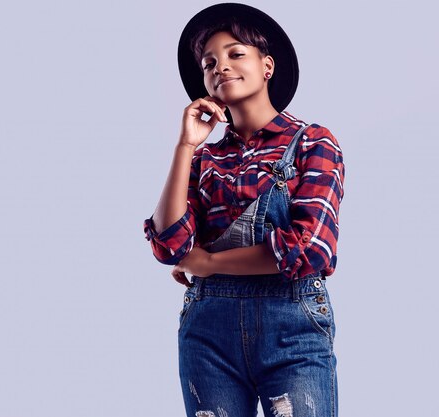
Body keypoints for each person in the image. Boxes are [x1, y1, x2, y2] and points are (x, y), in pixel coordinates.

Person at [143, 3, 345, 416]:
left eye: (236, 54)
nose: (221, 67)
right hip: (208, 334)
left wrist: (208, 262)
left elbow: (309, 251)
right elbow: (170, 245)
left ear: (266, 66)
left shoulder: (312, 143)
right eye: (209, 63)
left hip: (292, 328)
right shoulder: (205, 161)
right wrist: (186, 145)